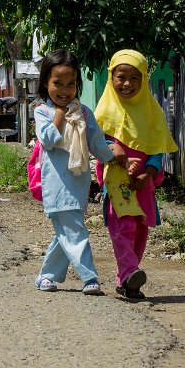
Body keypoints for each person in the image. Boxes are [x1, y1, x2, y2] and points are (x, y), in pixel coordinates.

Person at [33, 49, 130, 295]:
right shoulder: (42, 112)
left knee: (65, 232)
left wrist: (113, 156)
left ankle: (46, 276)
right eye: (57, 83)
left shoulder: (84, 112)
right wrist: (59, 116)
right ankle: (89, 277)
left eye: (70, 84)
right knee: (74, 230)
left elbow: (96, 142)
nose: (64, 90)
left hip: (78, 181)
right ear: (46, 82)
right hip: (56, 184)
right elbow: (48, 140)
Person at [94, 49, 179, 300]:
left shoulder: (153, 112)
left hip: (143, 183)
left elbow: (157, 147)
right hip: (117, 181)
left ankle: (126, 282)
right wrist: (113, 147)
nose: (127, 84)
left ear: (144, 79)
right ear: (112, 78)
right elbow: (95, 141)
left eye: (135, 77)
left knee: (140, 231)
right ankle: (131, 270)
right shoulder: (102, 112)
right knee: (123, 227)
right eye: (121, 77)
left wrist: (148, 173)